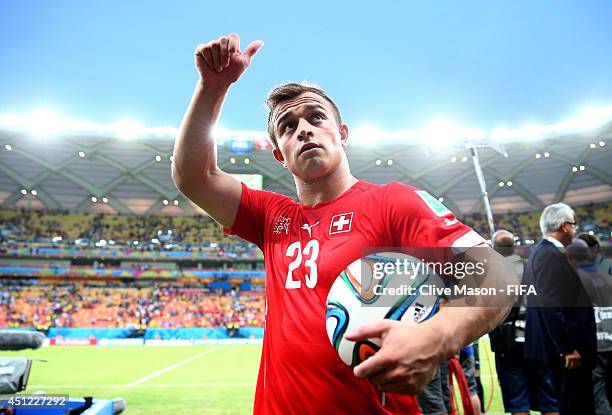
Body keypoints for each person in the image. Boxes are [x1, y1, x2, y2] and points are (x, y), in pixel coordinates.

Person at [172, 33, 513, 414]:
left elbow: (498, 275)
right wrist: (212, 87)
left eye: (316, 117)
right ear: (280, 156)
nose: (303, 129)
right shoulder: (272, 217)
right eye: (287, 127)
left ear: (343, 134)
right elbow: (193, 176)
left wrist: (436, 336)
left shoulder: (392, 203)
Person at [523, 203, 597, 415]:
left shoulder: (540, 253)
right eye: (573, 225)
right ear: (564, 226)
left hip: (556, 348)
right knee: (575, 405)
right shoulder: (548, 255)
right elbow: (551, 304)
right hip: (566, 352)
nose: (575, 230)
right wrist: (566, 347)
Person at [489, 230, 559, 415]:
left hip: (509, 343)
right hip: (537, 340)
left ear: (495, 249)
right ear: (515, 247)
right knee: (549, 399)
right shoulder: (535, 269)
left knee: (518, 401)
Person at [570, 236, 612, 415]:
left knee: (597, 399)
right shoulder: (608, 277)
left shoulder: (573, 280)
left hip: (592, 347)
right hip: (610, 342)